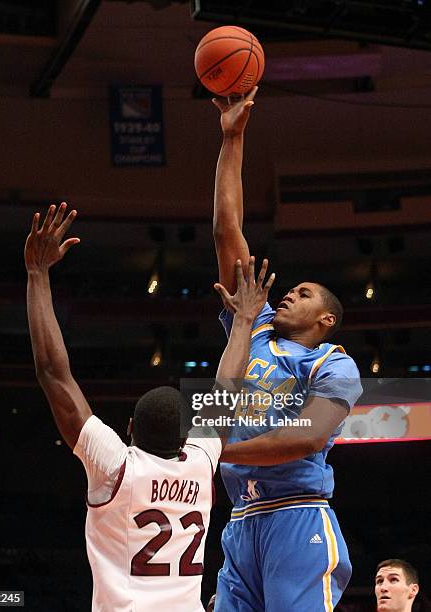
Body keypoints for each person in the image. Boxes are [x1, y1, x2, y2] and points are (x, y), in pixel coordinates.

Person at [24, 202, 274, 612]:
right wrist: (245, 321)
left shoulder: (116, 466)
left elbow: (52, 372)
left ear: (129, 430)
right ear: (187, 434)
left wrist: (37, 274)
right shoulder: (199, 460)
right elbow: (227, 387)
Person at [211, 87, 363, 611]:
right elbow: (226, 232)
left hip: (298, 516)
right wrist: (233, 139)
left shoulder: (332, 361)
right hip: (240, 522)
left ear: (325, 320)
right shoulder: (251, 329)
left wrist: (215, 450)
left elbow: (307, 437)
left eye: (301, 293)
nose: (287, 295)